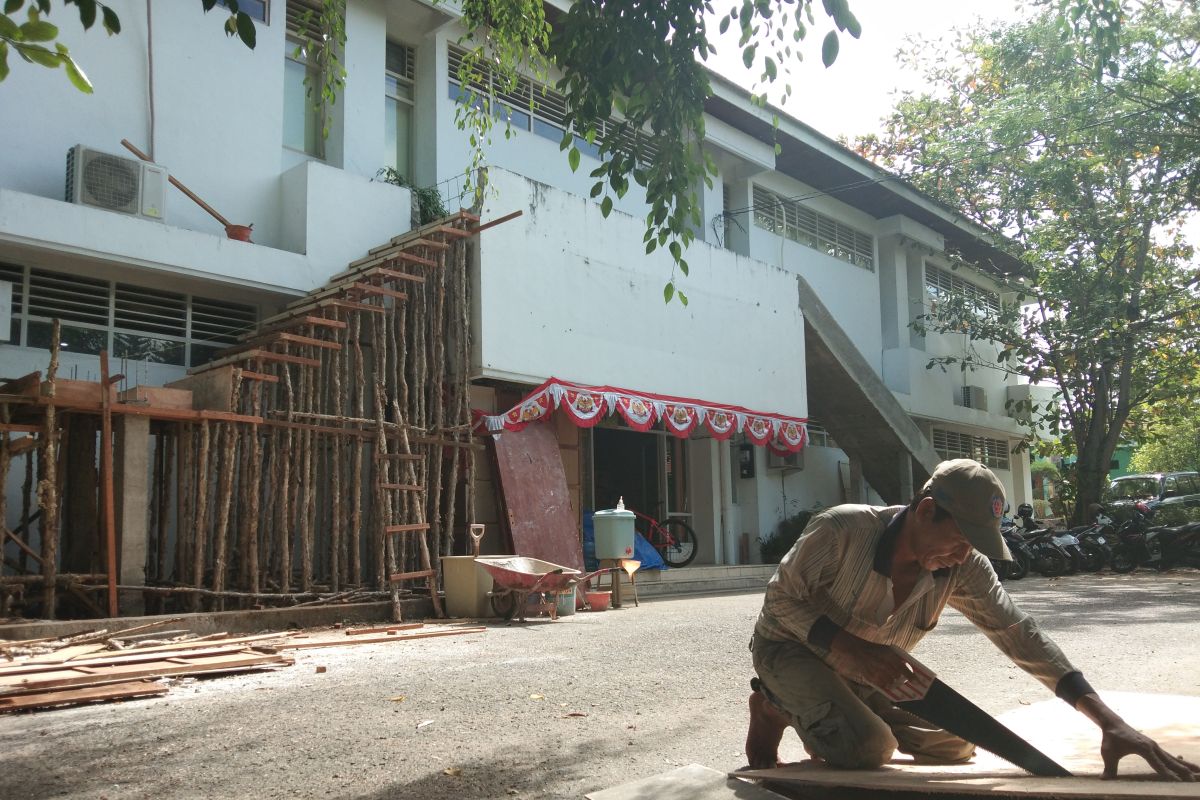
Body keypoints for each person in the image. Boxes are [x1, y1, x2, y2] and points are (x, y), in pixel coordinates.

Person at [745, 458, 1200, 781]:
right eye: (961, 538)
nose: (964, 554)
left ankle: (846, 705)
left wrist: (1109, 721)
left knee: (957, 745)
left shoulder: (963, 566)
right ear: (926, 511)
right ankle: (775, 706)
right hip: (790, 650)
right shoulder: (842, 529)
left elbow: (1020, 636)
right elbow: (779, 600)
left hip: (863, 669)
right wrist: (855, 652)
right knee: (867, 747)